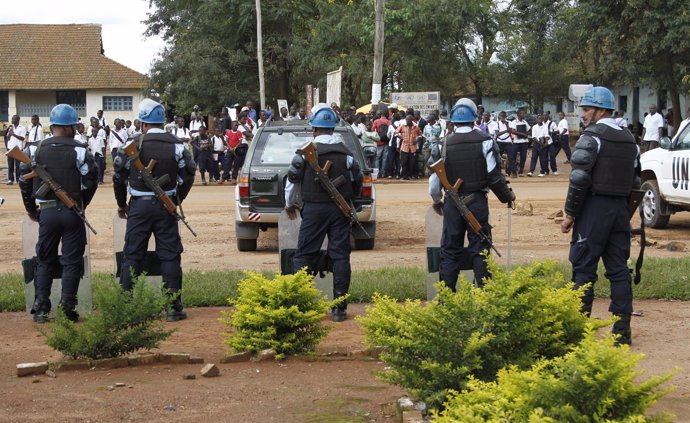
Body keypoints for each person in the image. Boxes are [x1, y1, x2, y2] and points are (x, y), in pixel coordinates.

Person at [560, 86, 640, 346]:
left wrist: (570, 214)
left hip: (594, 209)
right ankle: (622, 332)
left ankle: (578, 331)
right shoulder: (630, 139)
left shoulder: (592, 136)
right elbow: (635, 180)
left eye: (586, 109)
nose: (583, 114)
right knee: (619, 270)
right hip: (620, 211)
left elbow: (580, 178)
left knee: (583, 268)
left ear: (601, 110)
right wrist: (625, 213)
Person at [112, 99, 196, 321]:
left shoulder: (133, 144)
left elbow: (118, 178)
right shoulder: (177, 145)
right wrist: (177, 200)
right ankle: (173, 307)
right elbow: (189, 174)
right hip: (165, 206)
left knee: (132, 254)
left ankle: (127, 305)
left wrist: (122, 204)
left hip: (138, 207)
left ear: (142, 123)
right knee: (170, 255)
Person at [18, 104, 99, 322]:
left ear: (52, 125)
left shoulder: (35, 149)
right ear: (71, 126)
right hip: (73, 213)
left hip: (47, 212)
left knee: (44, 259)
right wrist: (81, 205)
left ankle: (42, 307)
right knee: (72, 261)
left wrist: (30, 209)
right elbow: (91, 181)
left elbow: (23, 181)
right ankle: (67, 306)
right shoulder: (81, 149)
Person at [284, 103, 363, 322]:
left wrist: (289, 205)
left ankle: (299, 305)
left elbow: (292, 183)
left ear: (314, 129)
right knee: (340, 256)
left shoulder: (304, 154)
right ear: (333, 128)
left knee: (304, 255)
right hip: (339, 210)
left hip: (314, 210)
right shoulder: (347, 155)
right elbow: (357, 182)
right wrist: (349, 201)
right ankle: (339, 308)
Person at [429, 98, 515, 290]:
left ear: (452, 121)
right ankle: (484, 297)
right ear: (474, 119)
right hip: (477, 202)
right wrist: (507, 196)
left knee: (450, 250)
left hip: (451, 203)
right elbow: (494, 177)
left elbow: (434, 183)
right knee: (480, 249)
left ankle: (447, 299)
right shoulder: (485, 142)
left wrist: (437, 201)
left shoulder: (442, 144)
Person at [395, 114, 422, 180]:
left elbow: (420, 135)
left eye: (409, 120)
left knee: (412, 162)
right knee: (404, 162)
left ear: (412, 120)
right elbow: (395, 133)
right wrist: (400, 136)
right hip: (404, 147)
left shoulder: (416, 127)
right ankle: (404, 175)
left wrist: (417, 140)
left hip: (413, 147)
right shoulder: (402, 126)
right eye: (406, 119)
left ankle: (412, 175)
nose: (407, 121)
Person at [508, 108, 531, 177]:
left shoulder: (524, 122)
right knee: (512, 156)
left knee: (523, 157)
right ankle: (514, 171)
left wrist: (526, 133)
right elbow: (512, 131)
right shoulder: (514, 122)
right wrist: (522, 134)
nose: (524, 114)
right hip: (516, 142)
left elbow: (529, 129)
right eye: (522, 113)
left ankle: (521, 171)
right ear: (518, 114)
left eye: (524, 113)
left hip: (524, 142)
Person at [6, 115, 26, 185]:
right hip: (10, 148)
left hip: (18, 149)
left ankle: (18, 180)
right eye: (12, 119)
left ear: (18, 120)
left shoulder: (22, 128)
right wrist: (10, 133)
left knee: (18, 165)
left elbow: (22, 138)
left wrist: (13, 134)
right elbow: (8, 138)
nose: (12, 120)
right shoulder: (11, 128)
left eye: (13, 119)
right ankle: (10, 179)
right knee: (10, 165)